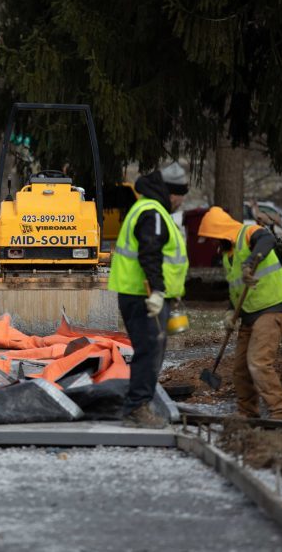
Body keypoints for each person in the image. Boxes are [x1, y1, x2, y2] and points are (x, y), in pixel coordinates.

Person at [108, 162, 189, 428]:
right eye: (180, 196)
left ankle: (138, 405)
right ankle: (137, 408)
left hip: (139, 293)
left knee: (150, 350)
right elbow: (150, 253)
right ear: (171, 192)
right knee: (149, 351)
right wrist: (157, 290)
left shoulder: (149, 209)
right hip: (142, 295)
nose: (179, 202)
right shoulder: (153, 212)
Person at [198, 206, 282, 420]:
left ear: (221, 231)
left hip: (272, 306)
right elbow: (236, 289)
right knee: (241, 369)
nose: (213, 242)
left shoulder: (249, 233)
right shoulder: (227, 255)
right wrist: (230, 313)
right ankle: (247, 413)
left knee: (258, 362)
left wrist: (251, 261)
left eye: (213, 237)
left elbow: (267, 240)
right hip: (250, 313)